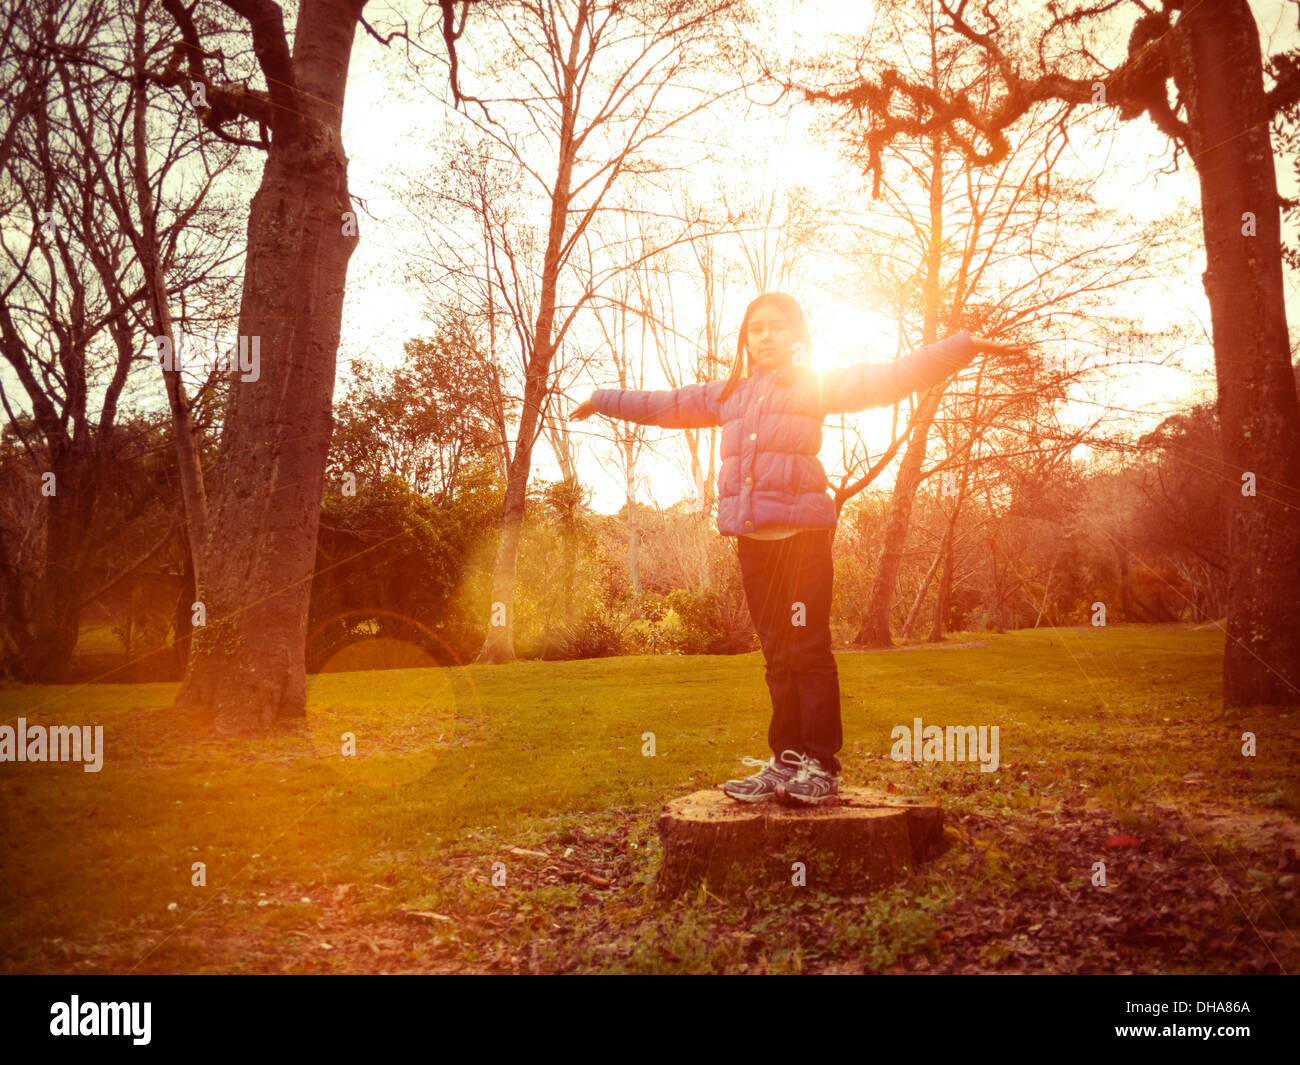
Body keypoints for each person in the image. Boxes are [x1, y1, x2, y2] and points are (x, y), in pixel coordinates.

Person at [569, 292, 1024, 805]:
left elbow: (893, 375)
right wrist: (602, 397)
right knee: (777, 655)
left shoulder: (817, 385)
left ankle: (821, 766)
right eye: (755, 328)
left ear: (797, 336)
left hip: (802, 544)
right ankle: (785, 761)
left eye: (776, 327)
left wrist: (964, 346)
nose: (765, 336)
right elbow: (663, 404)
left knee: (807, 651)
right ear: (745, 338)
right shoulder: (728, 395)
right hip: (754, 547)